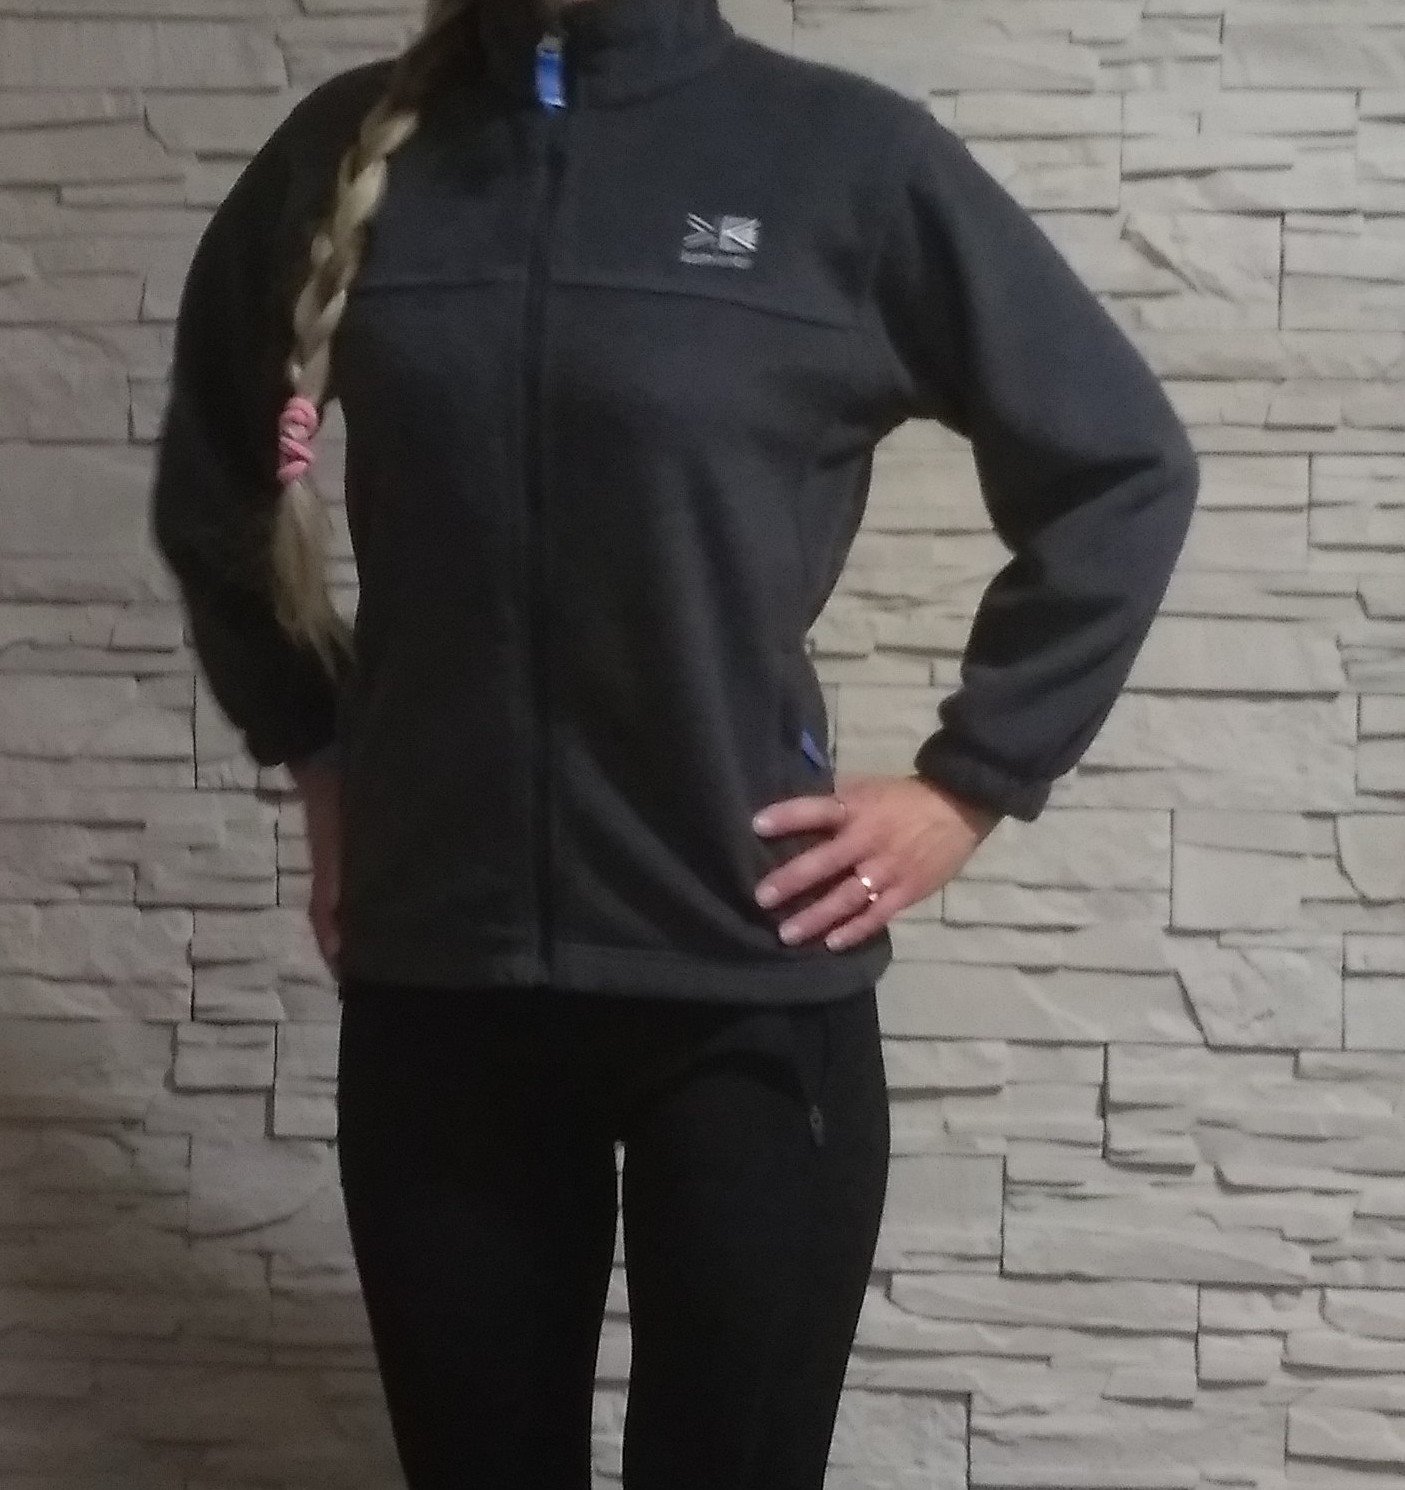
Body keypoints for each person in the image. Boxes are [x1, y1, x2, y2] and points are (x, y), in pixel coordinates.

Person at [147, 0, 1201, 1482]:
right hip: (442, 988)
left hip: (744, 987)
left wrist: (968, 782)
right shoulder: (343, 156)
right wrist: (320, 754)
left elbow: (1122, 465)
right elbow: (218, 483)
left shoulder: (841, 161)